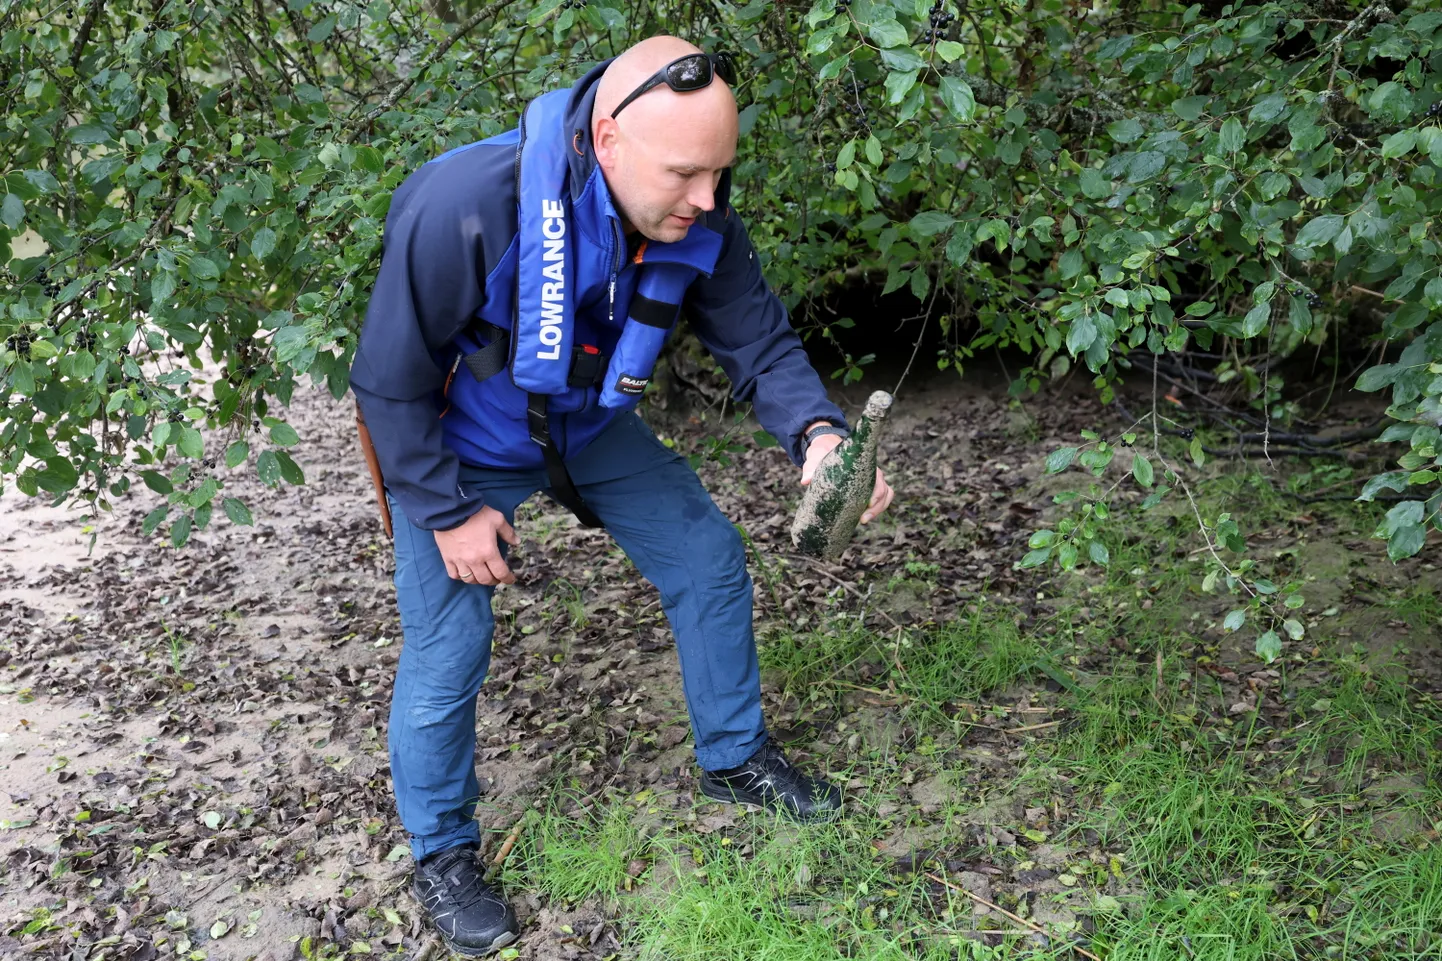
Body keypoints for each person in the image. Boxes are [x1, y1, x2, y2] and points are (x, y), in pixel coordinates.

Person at [349, 34, 895, 956]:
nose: (708, 200)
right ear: (606, 139)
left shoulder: (699, 213)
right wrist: (444, 510)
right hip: (462, 448)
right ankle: (441, 851)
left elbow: (760, 346)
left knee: (708, 557)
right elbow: (388, 380)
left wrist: (820, 434)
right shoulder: (468, 204)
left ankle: (735, 758)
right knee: (450, 646)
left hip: (589, 429)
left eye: (720, 173)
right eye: (686, 173)